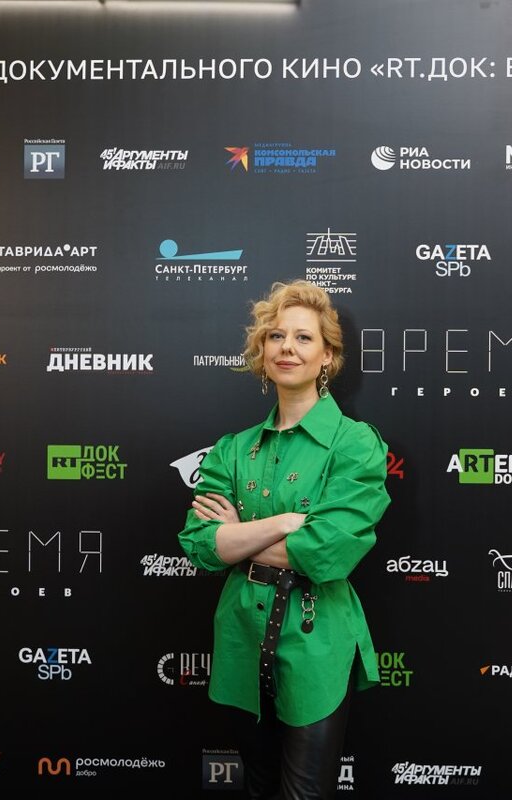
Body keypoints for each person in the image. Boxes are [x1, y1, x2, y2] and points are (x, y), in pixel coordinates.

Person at [178, 280, 390, 799]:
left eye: (303, 337)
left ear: (327, 356)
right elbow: (201, 544)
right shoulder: (232, 450)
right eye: (276, 336)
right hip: (240, 635)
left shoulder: (355, 443)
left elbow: (326, 551)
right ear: (262, 351)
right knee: (258, 787)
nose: (287, 348)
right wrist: (283, 523)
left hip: (318, 639)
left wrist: (238, 535)